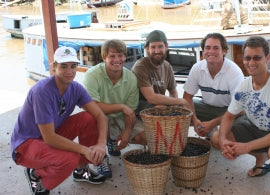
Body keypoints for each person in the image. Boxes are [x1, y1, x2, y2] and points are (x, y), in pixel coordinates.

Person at [10, 46, 109, 195]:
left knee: (89, 118)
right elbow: (49, 138)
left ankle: (81, 170)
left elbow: (100, 116)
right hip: (27, 144)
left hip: (50, 135)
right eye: (63, 66)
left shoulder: (76, 88)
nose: (69, 71)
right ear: (54, 66)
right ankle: (37, 177)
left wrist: (101, 145)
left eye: (73, 66)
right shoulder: (41, 91)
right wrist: (85, 150)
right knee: (70, 159)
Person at [212, 36, 270, 195]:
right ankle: (261, 157)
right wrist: (223, 141)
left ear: (267, 58)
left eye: (257, 58)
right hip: (257, 129)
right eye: (247, 58)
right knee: (216, 138)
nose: (251, 62)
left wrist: (247, 147)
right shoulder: (245, 85)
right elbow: (228, 116)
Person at [83, 39, 147, 179]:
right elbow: (92, 106)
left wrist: (127, 131)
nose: (117, 59)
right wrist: (121, 106)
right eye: (112, 56)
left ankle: (113, 140)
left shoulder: (131, 78)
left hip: (120, 116)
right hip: (98, 116)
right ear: (104, 57)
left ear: (125, 57)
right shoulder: (91, 75)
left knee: (145, 137)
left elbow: (130, 110)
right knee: (98, 119)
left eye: (120, 55)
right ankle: (101, 157)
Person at [183, 32, 244, 137]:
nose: (211, 51)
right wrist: (195, 119)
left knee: (240, 126)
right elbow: (187, 97)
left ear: (224, 51)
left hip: (229, 110)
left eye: (216, 48)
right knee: (180, 110)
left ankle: (214, 133)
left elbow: (240, 109)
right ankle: (210, 132)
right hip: (206, 107)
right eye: (207, 48)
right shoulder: (197, 68)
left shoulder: (234, 72)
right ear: (203, 50)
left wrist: (212, 123)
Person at [131, 29, 189, 114]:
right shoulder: (140, 67)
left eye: (160, 46)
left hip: (159, 103)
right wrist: (180, 101)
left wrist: (175, 107)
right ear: (147, 48)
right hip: (140, 105)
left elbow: (173, 92)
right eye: (153, 47)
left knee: (184, 108)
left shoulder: (167, 66)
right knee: (161, 107)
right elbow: (151, 98)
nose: (157, 51)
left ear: (166, 46)